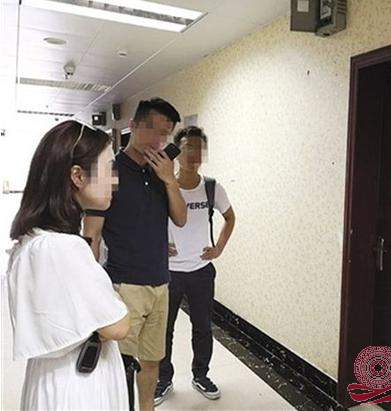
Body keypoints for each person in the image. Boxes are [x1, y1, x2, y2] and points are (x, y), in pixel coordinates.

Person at [6, 120, 130, 410]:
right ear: (77, 175)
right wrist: (111, 300)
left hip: (53, 379)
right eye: (109, 169)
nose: (115, 181)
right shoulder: (63, 248)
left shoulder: (32, 240)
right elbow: (118, 326)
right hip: (79, 388)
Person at [83, 97, 187, 411]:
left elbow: (181, 218)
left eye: (165, 133)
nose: (158, 139)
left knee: (152, 361)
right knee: (121, 365)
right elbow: (92, 235)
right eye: (152, 129)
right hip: (124, 285)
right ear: (133, 126)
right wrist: (90, 291)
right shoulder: (108, 172)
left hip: (160, 283)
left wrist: (169, 179)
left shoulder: (162, 172)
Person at [155, 126, 235, 405]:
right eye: (188, 147)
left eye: (199, 149)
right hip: (169, 272)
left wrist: (219, 248)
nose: (194, 155)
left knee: (203, 327)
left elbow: (230, 218)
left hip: (201, 271)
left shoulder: (211, 187)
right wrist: (158, 244)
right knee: (164, 329)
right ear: (176, 151)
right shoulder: (164, 185)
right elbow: (145, 221)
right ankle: (163, 379)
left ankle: (201, 375)